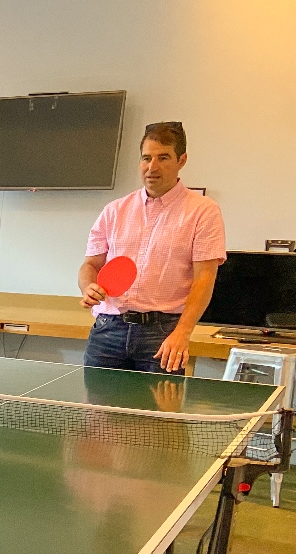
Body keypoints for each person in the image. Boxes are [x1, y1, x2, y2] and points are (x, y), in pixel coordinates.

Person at [79, 121, 226, 374]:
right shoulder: (114, 210)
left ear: (182, 160)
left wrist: (182, 333)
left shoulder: (203, 211)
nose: (152, 167)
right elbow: (91, 265)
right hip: (107, 329)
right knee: (97, 413)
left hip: (163, 334)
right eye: (146, 158)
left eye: (163, 157)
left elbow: (205, 278)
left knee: (158, 413)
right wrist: (88, 287)